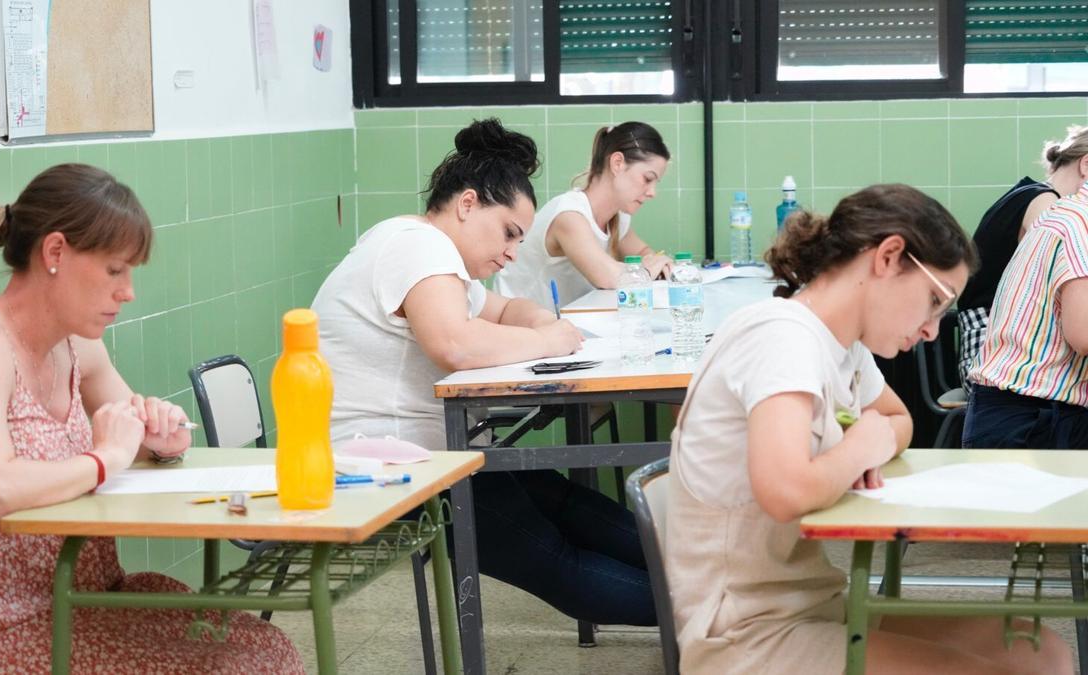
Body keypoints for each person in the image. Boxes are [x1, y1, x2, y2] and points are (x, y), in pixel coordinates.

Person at [0, 164, 302, 673]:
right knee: (227, 668)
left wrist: (162, 437)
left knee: (264, 649)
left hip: (70, 597)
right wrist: (104, 458)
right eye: (114, 271)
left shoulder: (77, 344)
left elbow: (135, 439)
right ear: (55, 253)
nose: (128, 291)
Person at [665, 184, 1071, 674]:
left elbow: (898, 422)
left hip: (813, 604)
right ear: (889, 257)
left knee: (1041, 652)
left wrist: (861, 446)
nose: (932, 329)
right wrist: (856, 450)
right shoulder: (781, 337)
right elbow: (786, 491)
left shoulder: (843, 345)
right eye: (935, 300)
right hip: (746, 635)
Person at [312, 119, 656, 626]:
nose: (513, 252)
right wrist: (547, 340)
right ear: (468, 204)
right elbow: (454, 343)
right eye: (509, 233)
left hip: (437, 454)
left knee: (565, 501)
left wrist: (543, 321)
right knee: (558, 561)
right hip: (385, 471)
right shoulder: (418, 247)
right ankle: (711, 615)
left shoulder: (436, 255)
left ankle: (697, 579)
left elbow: (504, 309)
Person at [963, 128, 1088, 449]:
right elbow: (1084, 334)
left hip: (1018, 404)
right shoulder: (1077, 222)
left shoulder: (1060, 212)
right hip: (1031, 414)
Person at [494, 121, 673, 308]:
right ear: (617, 163)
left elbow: (642, 252)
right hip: (516, 319)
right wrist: (647, 269)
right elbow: (608, 276)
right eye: (648, 179)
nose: (652, 192)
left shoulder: (617, 218)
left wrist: (658, 263)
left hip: (557, 319)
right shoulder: (569, 214)